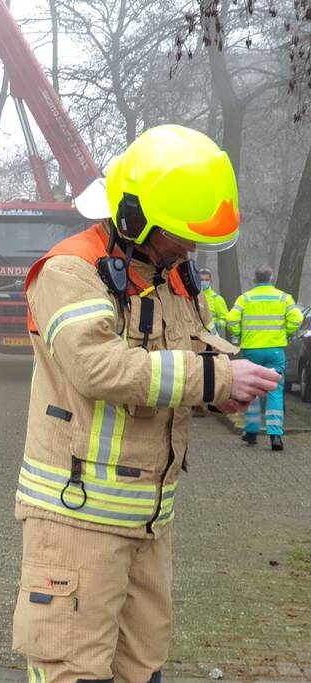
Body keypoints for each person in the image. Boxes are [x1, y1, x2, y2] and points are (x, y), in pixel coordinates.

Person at [15, 124, 280, 683]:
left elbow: (194, 349)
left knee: (142, 668)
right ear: (134, 217)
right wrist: (214, 379)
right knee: (72, 667)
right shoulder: (69, 272)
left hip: (148, 518)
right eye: (179, 234)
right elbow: (99, 367)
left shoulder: (169, 272)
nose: (190, 248)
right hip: (76, 514)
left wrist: (227, 385)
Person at [226, 265, 304, 451]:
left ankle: (251, 432)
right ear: (272, 278)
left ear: (255, 278)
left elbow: (231, 319)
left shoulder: (245, 298)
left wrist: (238, 333)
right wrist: (286, 331)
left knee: (252, 389)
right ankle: (275, 435)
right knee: (275, 389)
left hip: (252, 350)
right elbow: (297, 318)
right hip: (275, 350)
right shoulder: (284, 298)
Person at [198, 268, 229, 337]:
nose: (204, 282)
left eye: (206, 280)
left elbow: (226, 318)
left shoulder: (217, 299)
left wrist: (217, 324)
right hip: (196, 335)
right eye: (201, 280)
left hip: (211, 336)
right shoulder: (192, 297)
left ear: (210, 281)